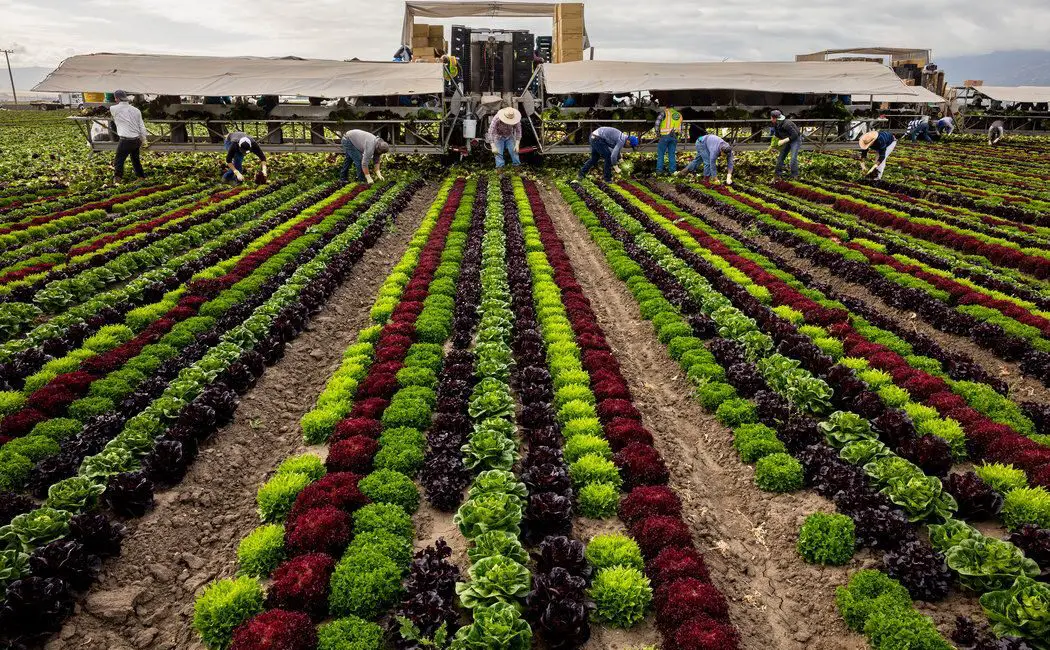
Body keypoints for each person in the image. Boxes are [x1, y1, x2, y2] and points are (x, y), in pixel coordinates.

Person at [109, 89, 148, 182]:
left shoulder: (113, 109)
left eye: (115, 98)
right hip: (136, 140)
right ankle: (141, 177)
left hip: (125, 140)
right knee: (135, 159)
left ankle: (117, 180)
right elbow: (142, 127)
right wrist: (143, 140)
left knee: (118, 161)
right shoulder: (136, 110)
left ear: (117, 98)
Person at [770, 110, 802, 179]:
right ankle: (777, 174)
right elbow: (777, 135)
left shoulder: (786, 124)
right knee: (781, 157)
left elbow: (795, 135)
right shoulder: (776, 124)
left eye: (772, 118)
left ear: (775, 118)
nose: (771, 119)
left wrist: (784, 140)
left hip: (795, 140)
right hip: (786, 139)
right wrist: (773, 146)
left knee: (793, 158)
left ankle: (794, 175)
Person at [653, 106, 684, 175]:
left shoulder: (664, 112)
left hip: (664, 136)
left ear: (666, 106)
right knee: (672, 154)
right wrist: (679, 136)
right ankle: (672, 171)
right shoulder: (679, 114)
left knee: (661, 154)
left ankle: (659, 171)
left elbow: (657, 123)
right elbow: (682, 126)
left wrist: (657, 133)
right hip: (674, 136)